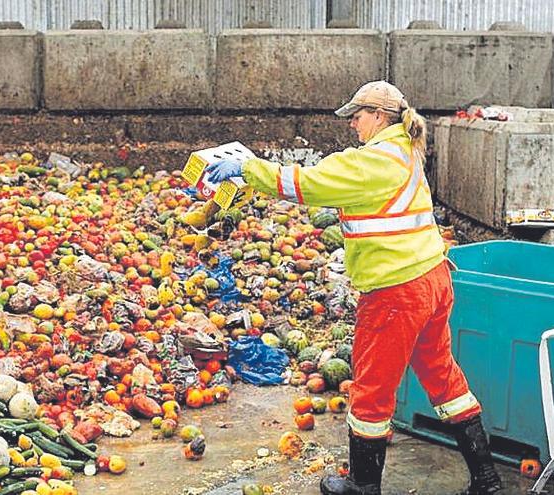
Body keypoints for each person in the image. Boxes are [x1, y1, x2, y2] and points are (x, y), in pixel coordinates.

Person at [204, 80, 502, 495]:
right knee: (442, 377)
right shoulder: (405, 150)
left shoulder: (375, 161)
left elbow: (311, 184)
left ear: (379, 117)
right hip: (432, 277)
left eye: (357, 116)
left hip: (397, 290)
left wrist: (248, 168)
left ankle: (363, 485)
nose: (352, 125)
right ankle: (486, 479)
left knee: (371, 389)